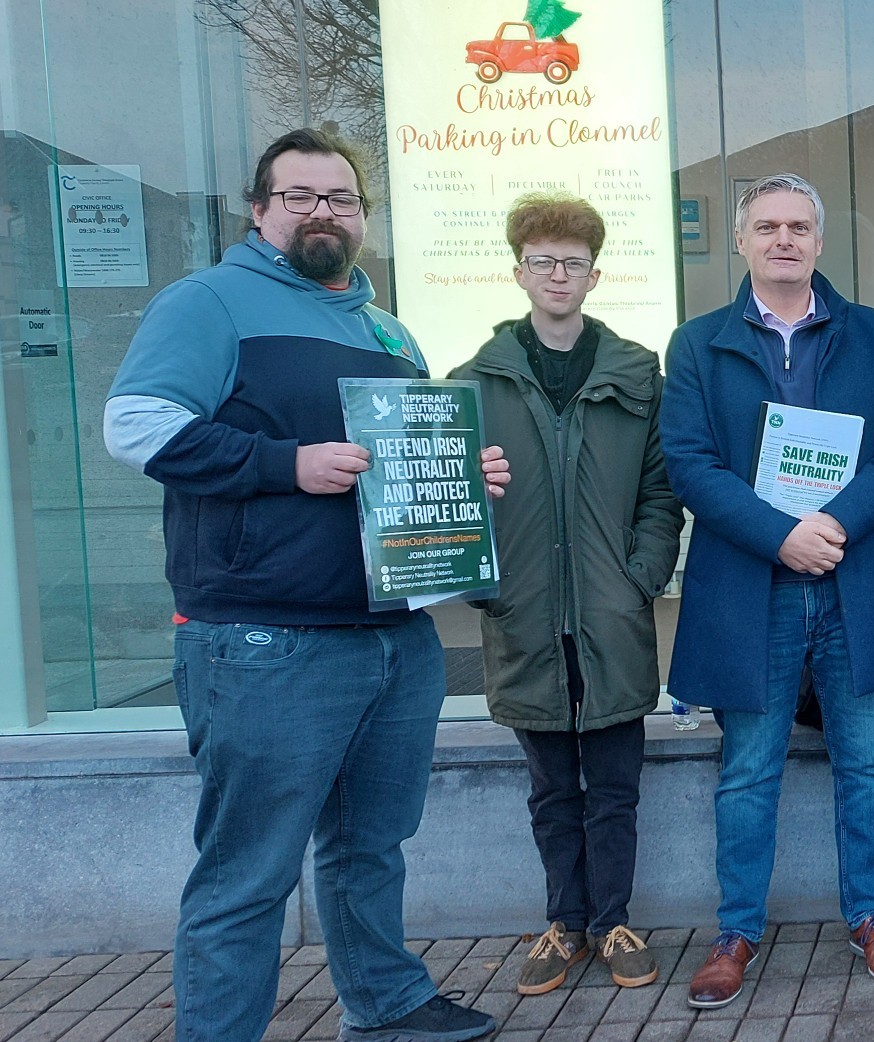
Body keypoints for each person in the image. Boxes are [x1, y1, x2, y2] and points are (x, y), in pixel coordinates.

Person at [102, 129, 509, 1042]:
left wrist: (457, 470)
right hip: (266, 641)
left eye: (342, 198)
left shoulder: (385, 325)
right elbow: (134, 426)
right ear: (260, 210)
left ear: (363, 215)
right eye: (301, 197)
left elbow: (390, 465)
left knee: (372, 846)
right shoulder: (208, 301)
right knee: (248, 871)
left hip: (392, 638)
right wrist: (288, 464)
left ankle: (387, 1002)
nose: (323, 212)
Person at [660, 173, 874, 1008]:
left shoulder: (871, 333)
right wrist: (779, 534)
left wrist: (835, 523)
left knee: (867, 762)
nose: (784, 239)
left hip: (854, 582)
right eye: (767, 226)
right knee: (746, 770)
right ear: (741, 241)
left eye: (799, 227)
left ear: (819, 240)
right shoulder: (698, 344)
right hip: (752, 586)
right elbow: (689, 463)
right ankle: (736, 930)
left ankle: (873, 919)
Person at [449, 193, 683, 996]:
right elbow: (452, 506)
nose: (558, 275)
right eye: (543, 261)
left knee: (615, 788)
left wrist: (639, 577)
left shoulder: (634, 373)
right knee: (552, 791)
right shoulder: (471, 383)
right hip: (523, 621)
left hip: (611, 620)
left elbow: (661, 491)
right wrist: (488, 589)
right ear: (518, 271)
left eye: (573, 263)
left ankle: (614, 919)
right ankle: (564, 924)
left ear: (594, 275)